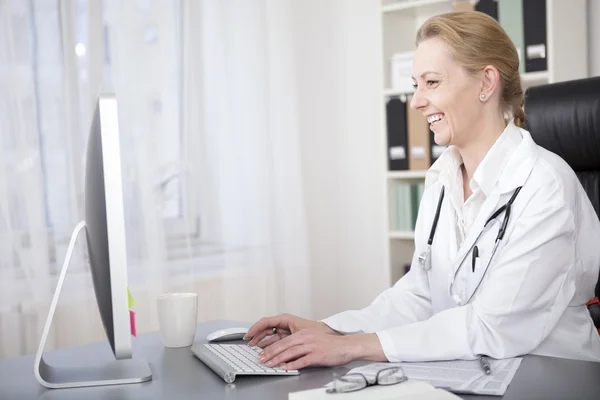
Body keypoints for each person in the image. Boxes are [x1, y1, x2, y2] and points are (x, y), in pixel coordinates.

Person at [244, 11, 600, 370]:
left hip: (549, 376)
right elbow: (419, 295)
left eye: (431, 82)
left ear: (486, 83)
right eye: (416, 84)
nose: (415, 102)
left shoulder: (545, 188)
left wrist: (353, 347)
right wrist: (330, 330)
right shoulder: (442, 179)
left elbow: (493, 326)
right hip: (469, 372)